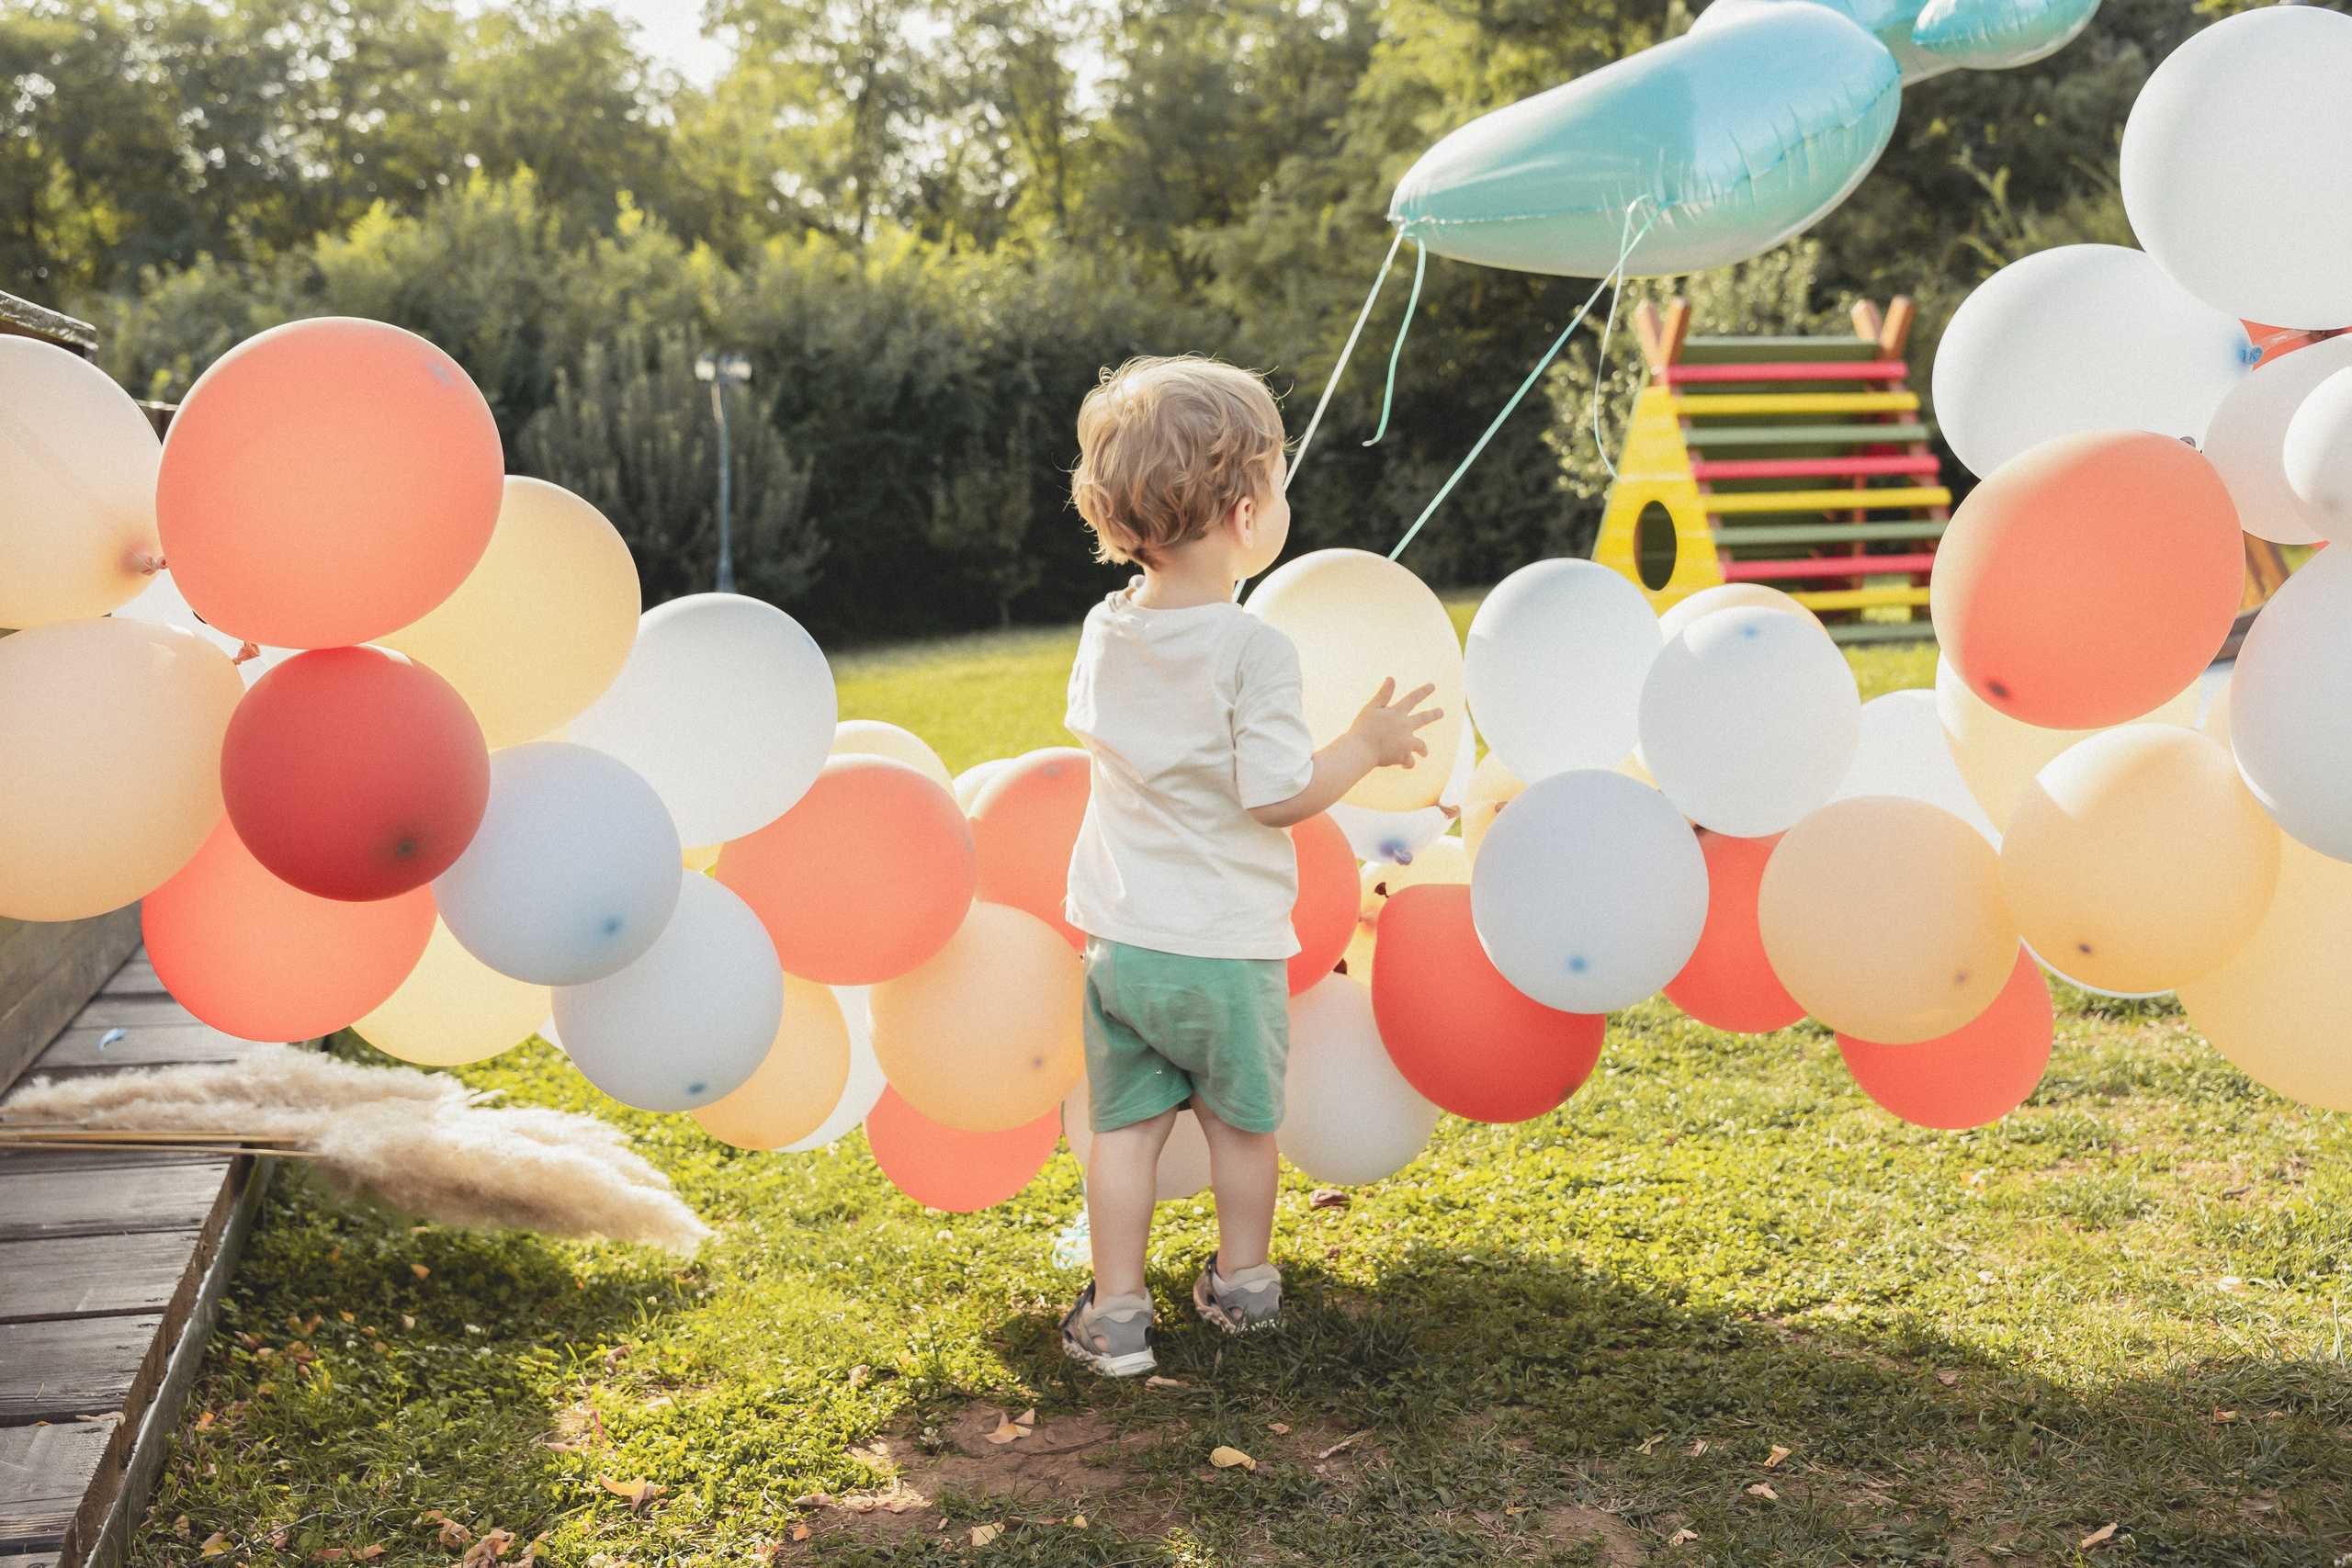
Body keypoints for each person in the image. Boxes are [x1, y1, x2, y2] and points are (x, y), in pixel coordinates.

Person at [1058, 354, 1441, 1377]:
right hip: (1225, 952)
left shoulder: (1106, 631)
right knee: (1238, 1131)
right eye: (1277, 476)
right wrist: (1361, 746)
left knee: (1126, 1135)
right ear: (1241, 514)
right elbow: (1274, 794)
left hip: (1126, 944)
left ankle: (1119, 1316)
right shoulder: (1252, 650)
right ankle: (1244, 1289)